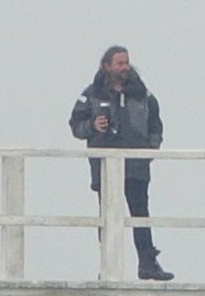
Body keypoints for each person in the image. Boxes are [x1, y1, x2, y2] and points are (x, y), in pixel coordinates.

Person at [69, 46, 174, 281]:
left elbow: (155, 123)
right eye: (119, 63)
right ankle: (108, 267)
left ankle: (148, 264)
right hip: (105, 166)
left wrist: (150, 149)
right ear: (107, 66)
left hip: (136, 166)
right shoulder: (92, 94)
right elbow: (76, 124)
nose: (124, 67)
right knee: (107, 218)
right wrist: (92, 126)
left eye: (126, 62)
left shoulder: (142, 94)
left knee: (140, 215)